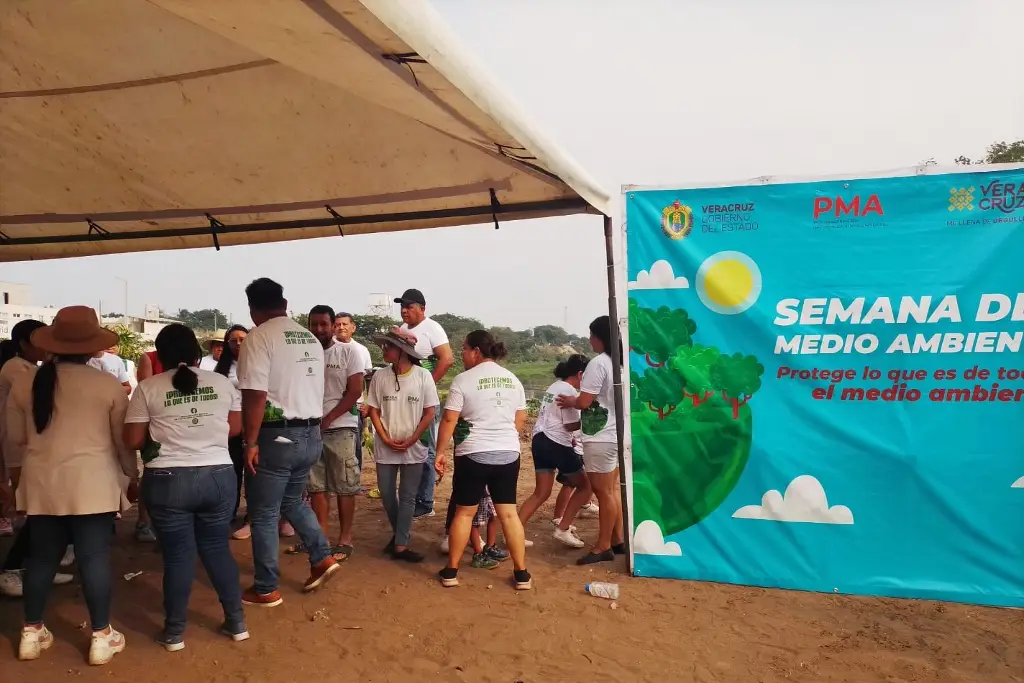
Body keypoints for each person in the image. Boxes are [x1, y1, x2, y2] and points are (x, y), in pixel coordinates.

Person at [7, 306, 138, 665]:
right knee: (93, 558)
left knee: (42, 558)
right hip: (93, 484)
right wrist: (132, 478)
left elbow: (16, 438)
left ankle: (31, 633)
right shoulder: (108, 385)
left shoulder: (23, 382)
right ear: (93, 346)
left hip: (42, 483)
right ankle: (101, 636)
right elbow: (122, 443)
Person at [123, 324, 248, 652]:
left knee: (178, 557)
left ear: (160, 356)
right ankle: (236, 623)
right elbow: (234, 428)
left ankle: (175, 632)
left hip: (167, 481)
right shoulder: (222, 383)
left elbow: (133, 439)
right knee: (217, 549)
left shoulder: (147, 388)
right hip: (219, 476)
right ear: (196, 353)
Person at [236, 278, 338, 606]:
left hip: (276, 436)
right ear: (284, 302)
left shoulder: (259, 338)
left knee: (264, 512)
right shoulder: (308, 337)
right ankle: (322, 557)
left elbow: (254, 396)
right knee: (292, 501)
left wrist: (250, 442)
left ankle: (266, 587)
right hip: (310, 433)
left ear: (253, 310)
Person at [433, 330, 531, 590]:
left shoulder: (463, 381)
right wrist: (503, 438)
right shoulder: (513, 380)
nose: (462, 354)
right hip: (508, 453)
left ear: (476, 350)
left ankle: (451, 571)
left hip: (473, 454)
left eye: (464, 348)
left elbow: (450, 419)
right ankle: (522, 574)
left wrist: (440, 451)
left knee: (464, 513)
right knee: (509, 513)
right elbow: (519, 420)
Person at [1, 320, 75, 598]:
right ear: (23, 344)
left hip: (31, 446)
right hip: (19, 447)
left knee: (41, 510)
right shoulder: (18, 369)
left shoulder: (32, 369)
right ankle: (12, 568)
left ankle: (38, 564)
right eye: (39, 341)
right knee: (33, 510)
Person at [365, 330, 439, 563]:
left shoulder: (423, 377)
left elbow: (429, 412)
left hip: (414, 446)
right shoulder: (380, 377)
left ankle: (400, 544)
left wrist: (413, 438)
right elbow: (374, 410)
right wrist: (384, 437)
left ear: (403, 352)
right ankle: (401, 535)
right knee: (387, 494)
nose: (384, 350)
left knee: (408, 496)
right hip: (385, 444)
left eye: (389, 347)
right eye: (385, 346)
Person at [556, 316, 625, 565]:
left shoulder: (599, 363)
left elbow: (585, 401)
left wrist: (570, 401)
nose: (588, 339)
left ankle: (603, 545)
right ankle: (617, 540)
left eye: (591, 335)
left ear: (600, 337)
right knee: (613, 490)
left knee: (603, 492)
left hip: (600, 435)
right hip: (616, 433)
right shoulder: (621, 363)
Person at [300, 306, 364, 561]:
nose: (318, 329)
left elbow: (355, 391)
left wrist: (329, 418)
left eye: (323, 324)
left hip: (341, 428)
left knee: (345, 486)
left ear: (333, 325)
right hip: (310, 429)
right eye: (313, 324)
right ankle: (321, 538)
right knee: (316, 486)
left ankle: (345, 538)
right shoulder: (304, 354)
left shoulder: (349, 352)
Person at [519, 355, 592, 549]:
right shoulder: (568, 391)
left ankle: (514, 533)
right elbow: (570, 425)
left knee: (541, 493)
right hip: (556, 443)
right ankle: (563, 527)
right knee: (586, 486)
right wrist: (587, 414)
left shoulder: (554, 386)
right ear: (580, 374)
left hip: (540, 440)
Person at [395, 288, 454, 518]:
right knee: (409, 446)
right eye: (402, 306)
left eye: (409, 306)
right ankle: (412, 496)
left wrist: (427, 385)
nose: (404, 310)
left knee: (426, 450)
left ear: (422, 308)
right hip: (405, 400)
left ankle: (426, 501)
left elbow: (447, 359)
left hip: (425, 402)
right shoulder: (401, 330)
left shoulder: (432, 328)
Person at [334, 312, 372, 473]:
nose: (341, 327)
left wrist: (369, 404)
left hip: (355, 407)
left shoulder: (362, 350)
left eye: (344, 324)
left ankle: (353, 480)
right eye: (337, 325)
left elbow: (369, 379)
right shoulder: (328, 347)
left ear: (353, 327)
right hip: (331, 405)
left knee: (354, 444)